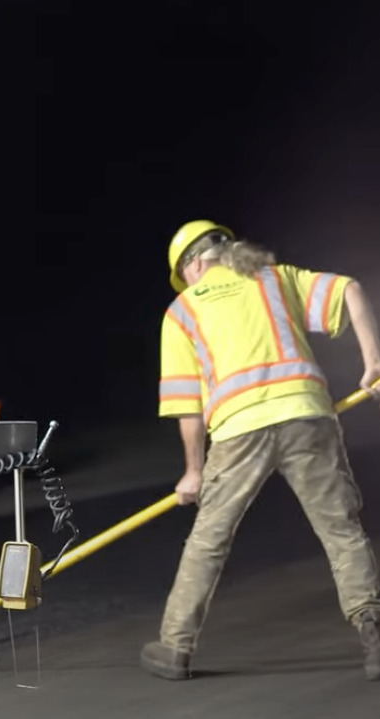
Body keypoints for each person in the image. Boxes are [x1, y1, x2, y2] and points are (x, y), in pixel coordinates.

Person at [142, 219, 380, 682]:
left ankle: (174, 647)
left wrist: (193, 471)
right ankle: (375, 638)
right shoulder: (276, 278)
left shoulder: (182, 311)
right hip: (307, 415)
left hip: (237, 429)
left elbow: (187, 405)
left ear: (191, 265)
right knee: (340, 531)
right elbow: (349, 288)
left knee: (208, 541)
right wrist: (373, 362)